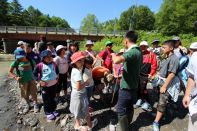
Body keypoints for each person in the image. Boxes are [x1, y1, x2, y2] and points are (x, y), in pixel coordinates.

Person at [111, 31, 142, 131]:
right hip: (133, 85)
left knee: (120, 109)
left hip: (126, 87)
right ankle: (128, 125)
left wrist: (113, 55)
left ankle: (125, 129)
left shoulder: (132, 51)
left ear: (126, 40)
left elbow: (116, 60)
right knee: (129, 106)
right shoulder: (139, 51)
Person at [152, 40, 180, 131]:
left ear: (171, 48)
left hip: (167, 84)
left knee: (162, 103)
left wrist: (164, 86)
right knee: (159, 100)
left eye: (164, 47)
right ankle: (158, 115)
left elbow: (171, 74)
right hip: (161, 81)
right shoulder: (166, 56)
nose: (162, 48)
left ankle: (156, 122)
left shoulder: (174, 58)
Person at [69, 51, 98, 130]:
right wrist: (86, 83)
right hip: (80, 94)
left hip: (75, 94)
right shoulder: (77, 72)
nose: (83, 62)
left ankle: (77, 125)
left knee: (77, 109)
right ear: (77, 62)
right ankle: (90, 126)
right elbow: (78, 87)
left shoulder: (74, 69)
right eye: (82, 60)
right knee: (86, 110)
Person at [8, 48, 39, 113]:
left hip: (31, 79)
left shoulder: (31, 61)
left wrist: (38, 77)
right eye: (19, 57)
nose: (21, 58)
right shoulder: (16, 62)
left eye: (22, 56)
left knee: (34, 92)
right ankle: (27, 105)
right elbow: (10, 72)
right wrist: (16, 77)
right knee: (25, 93)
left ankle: (35, 104)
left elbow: (36, 69)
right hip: (22, 81)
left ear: (25, 54)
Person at [33, 50, 59, 121]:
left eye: (51, 56)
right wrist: (39, 81)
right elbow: (34, 74)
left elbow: (57, 71)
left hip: (53, 85)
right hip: (45, 86)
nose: (50, 58)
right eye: (47, 57)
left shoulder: (54, 64)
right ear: (43, 58)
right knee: (46, 100)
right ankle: (48, 112)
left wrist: (57, 78)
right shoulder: (40, 65)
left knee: (53, 98)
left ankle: (53, 110)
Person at [134, 41, 157, 111]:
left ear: (147, 47)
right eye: (141, 46)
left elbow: (154, 65)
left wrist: (151, 73)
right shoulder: (138, 54)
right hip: (137, 74)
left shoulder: (151, 54)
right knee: (137, 87)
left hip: (145, 75)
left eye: (144, 46)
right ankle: (139, 99)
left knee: (143, 89)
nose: (143, 47)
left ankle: (147, 102)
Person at [183, 42, 197, 131]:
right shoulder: (195, 57)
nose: (191, 51)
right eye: (191, 50)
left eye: (193, 50)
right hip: (195, 107)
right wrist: (187, 94)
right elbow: (191, 76)